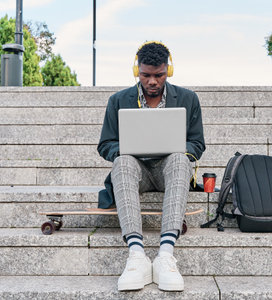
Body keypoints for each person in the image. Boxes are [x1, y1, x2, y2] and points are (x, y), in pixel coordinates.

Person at [97, 41, 205, 292]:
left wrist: (179, 148)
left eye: (159, 75)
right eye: (146, 75)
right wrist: (125, 150)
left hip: (171, 171)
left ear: (169, 71)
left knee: (180, 158)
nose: (153, 81)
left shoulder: (188, 99)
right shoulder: (118, 100)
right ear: (137, 72)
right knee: (122, 161)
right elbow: (105, 144)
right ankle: (137, 256)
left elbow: (197, 143)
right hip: (137, 172)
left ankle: (165, 254)